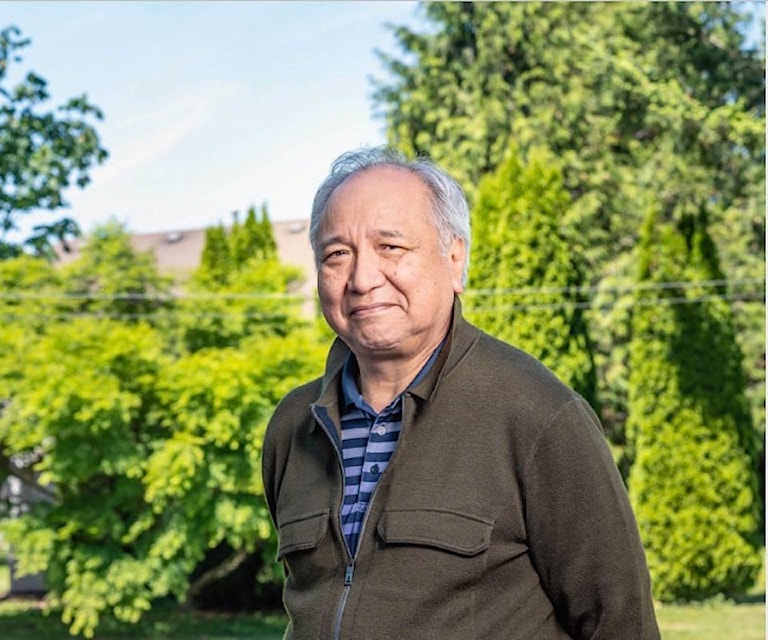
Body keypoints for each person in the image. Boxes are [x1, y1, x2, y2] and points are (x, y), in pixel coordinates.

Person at [261, 146, 660, 639]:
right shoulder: (293, 426)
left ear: (455, 258)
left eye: (391, 247)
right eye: (337, 254)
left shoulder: (538, 415)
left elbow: (620, 625)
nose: (362, 279)